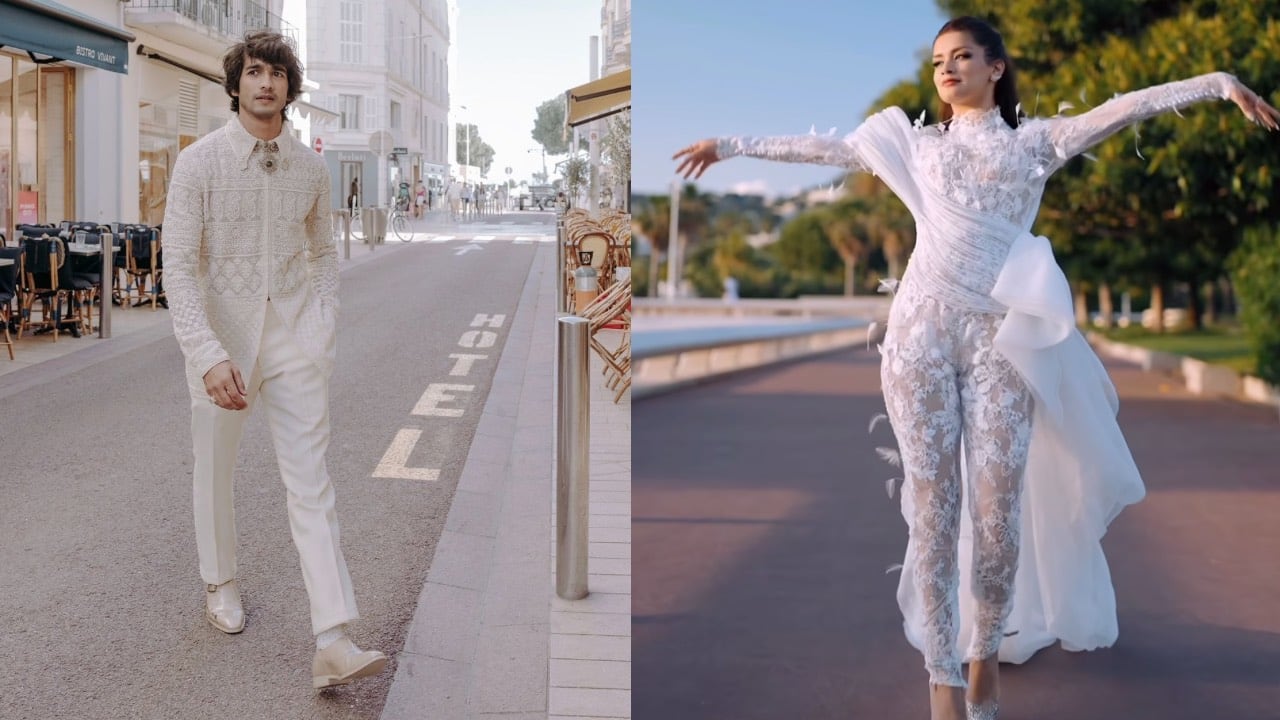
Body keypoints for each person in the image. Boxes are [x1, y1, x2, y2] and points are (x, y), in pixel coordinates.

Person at [673, 15, 1279, 720]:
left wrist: (1218, 83)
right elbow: (828, 149)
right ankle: (942, 677)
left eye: (963, 56)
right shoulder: (918, 147)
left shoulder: (1037, 144)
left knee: (995, 517)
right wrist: (730, 145)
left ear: (996, 68)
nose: (947, 69)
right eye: (938, 61)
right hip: (919, 336)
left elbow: (1128, 105)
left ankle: (984, 655)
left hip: (1001, 345)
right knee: (934, 513)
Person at [163, 30, 389, 690]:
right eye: (255, 72)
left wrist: (322, 327)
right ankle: (221, 582)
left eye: (278, 73)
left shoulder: (311, 169)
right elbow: (177, 267)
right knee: (215, 470)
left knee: (312, 481)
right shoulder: (198, 164)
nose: (266, 83)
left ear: (290, 88)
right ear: (235, 84)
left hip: (295, 336)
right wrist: (207, 354)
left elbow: (323, 254)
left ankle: (333, 638)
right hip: (222, 341)